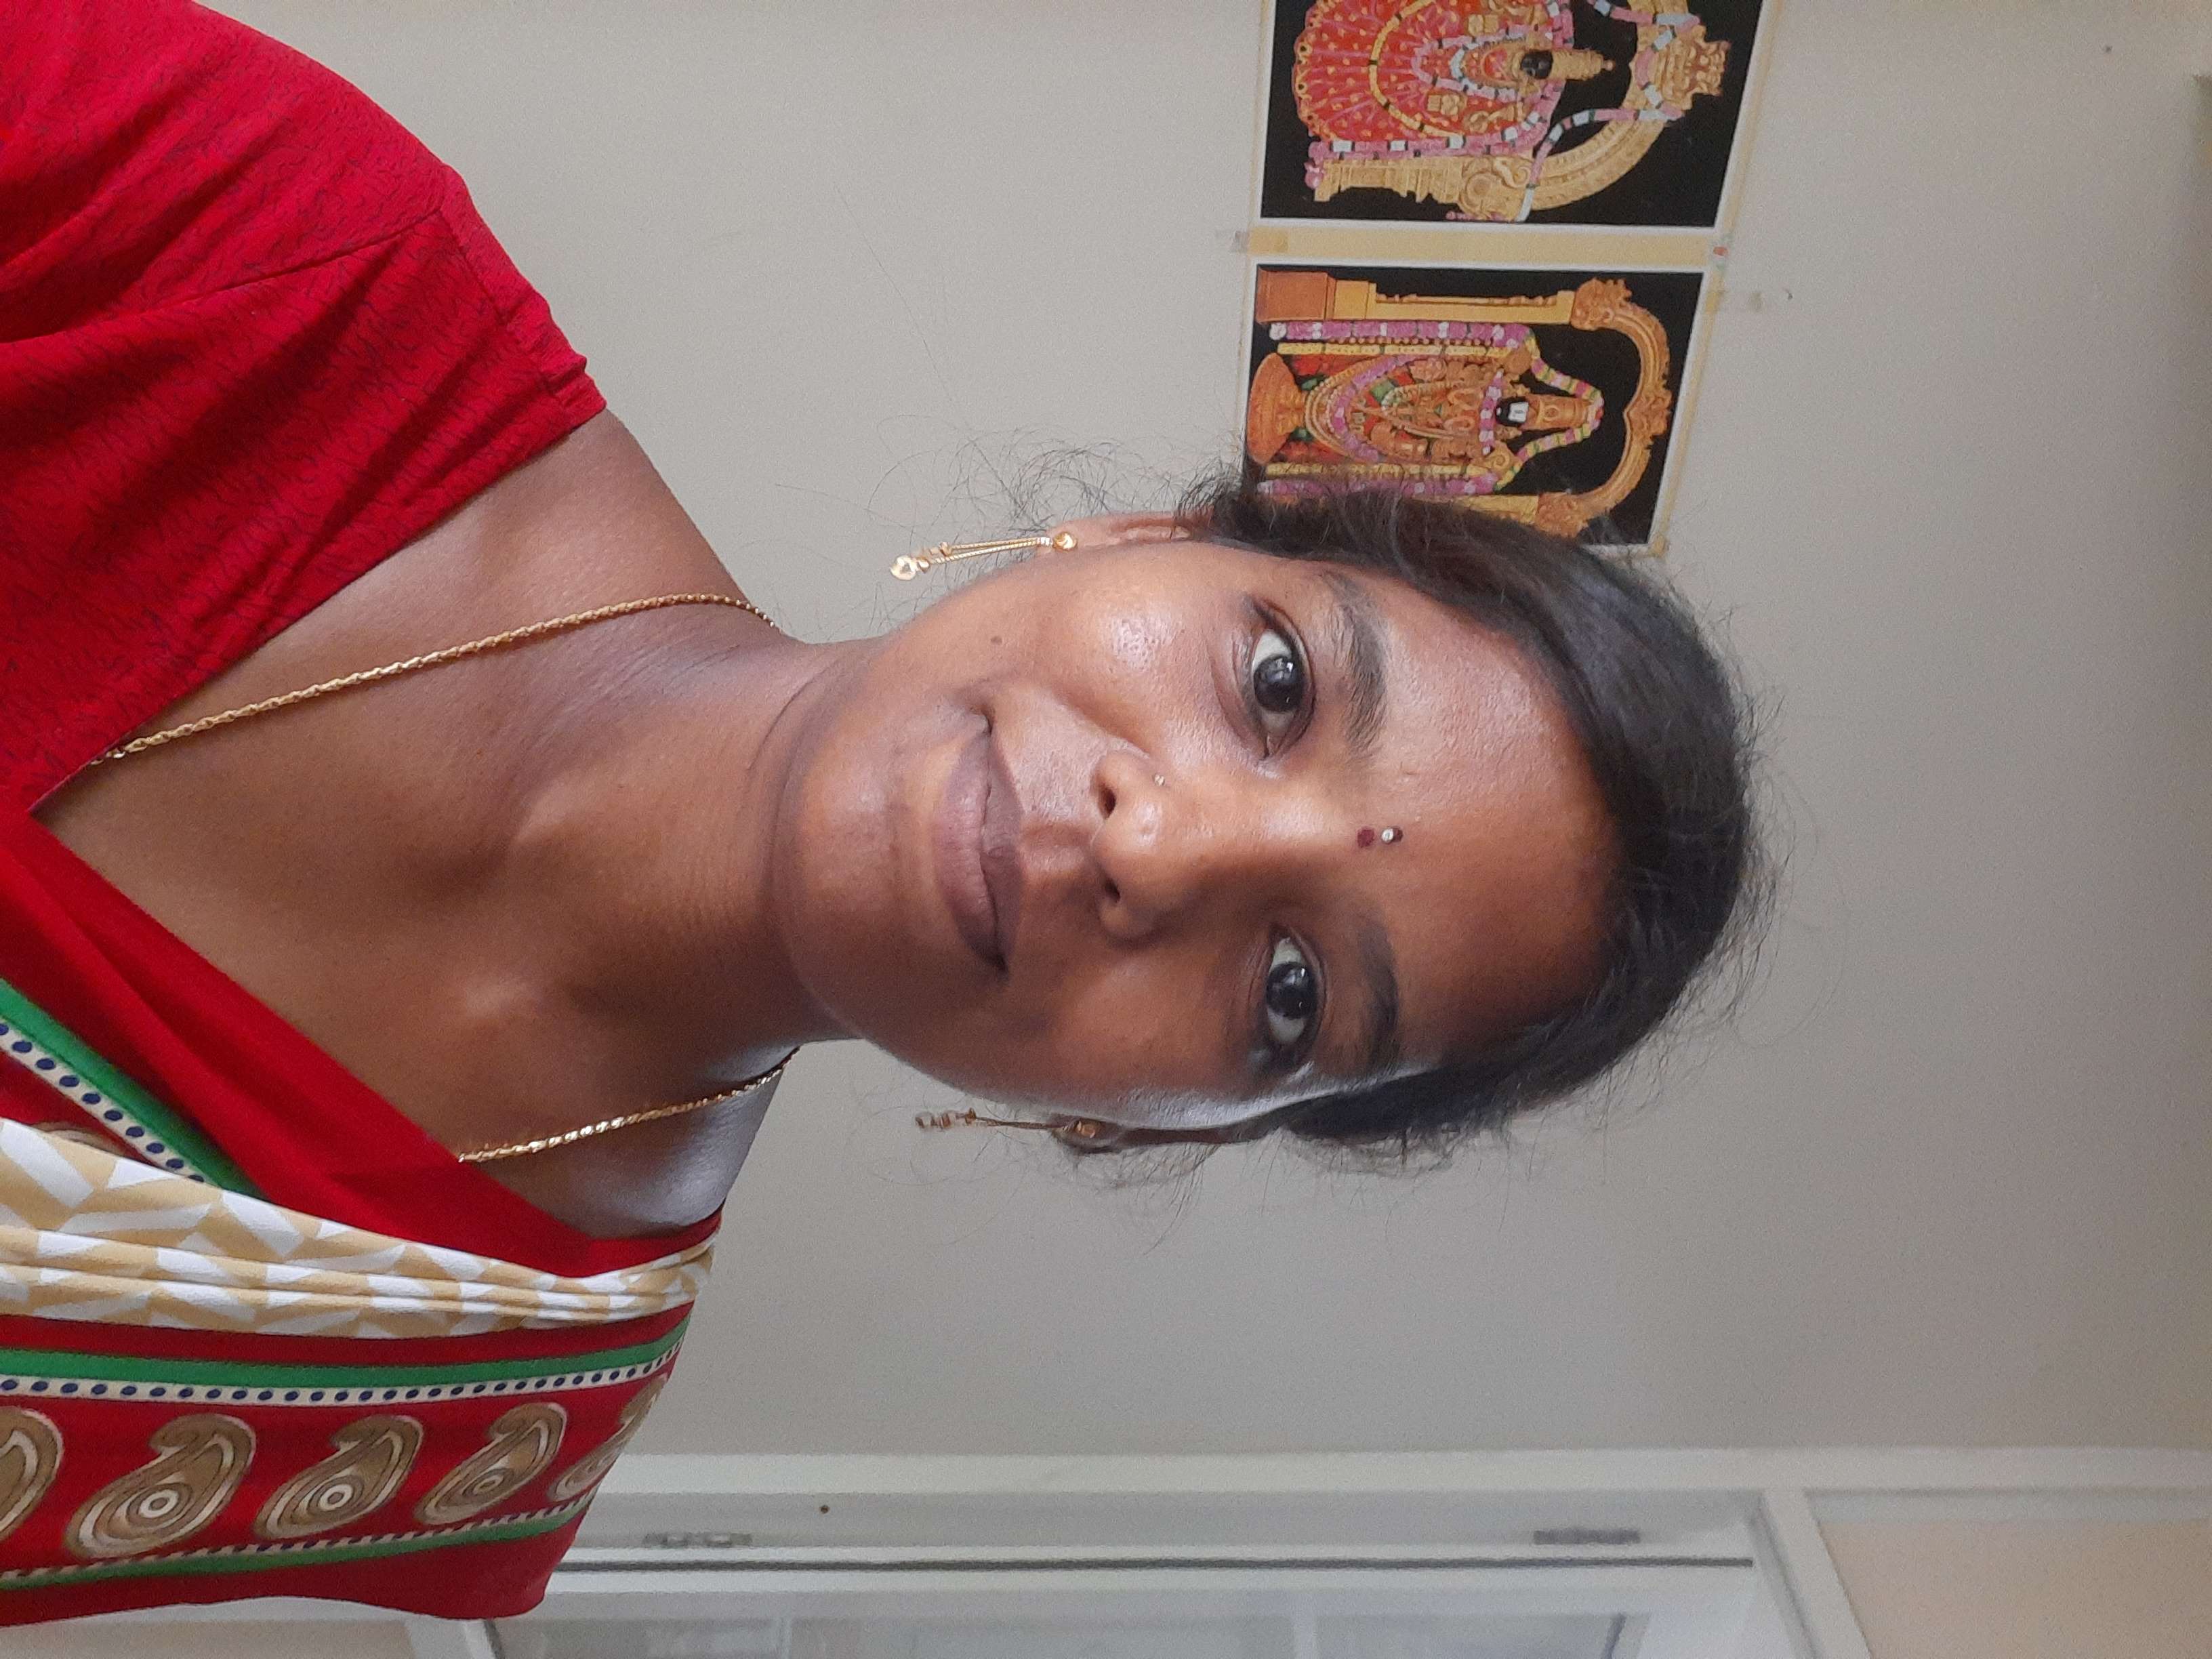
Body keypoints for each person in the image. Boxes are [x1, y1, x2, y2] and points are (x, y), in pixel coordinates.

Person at [0, 0, 1759, 1627]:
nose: (1156, 849)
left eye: (1294, 993)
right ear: (1140, 537)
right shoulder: (265, 246)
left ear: (1177, 1121)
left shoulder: (482, 1432)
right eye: (1279, 685)